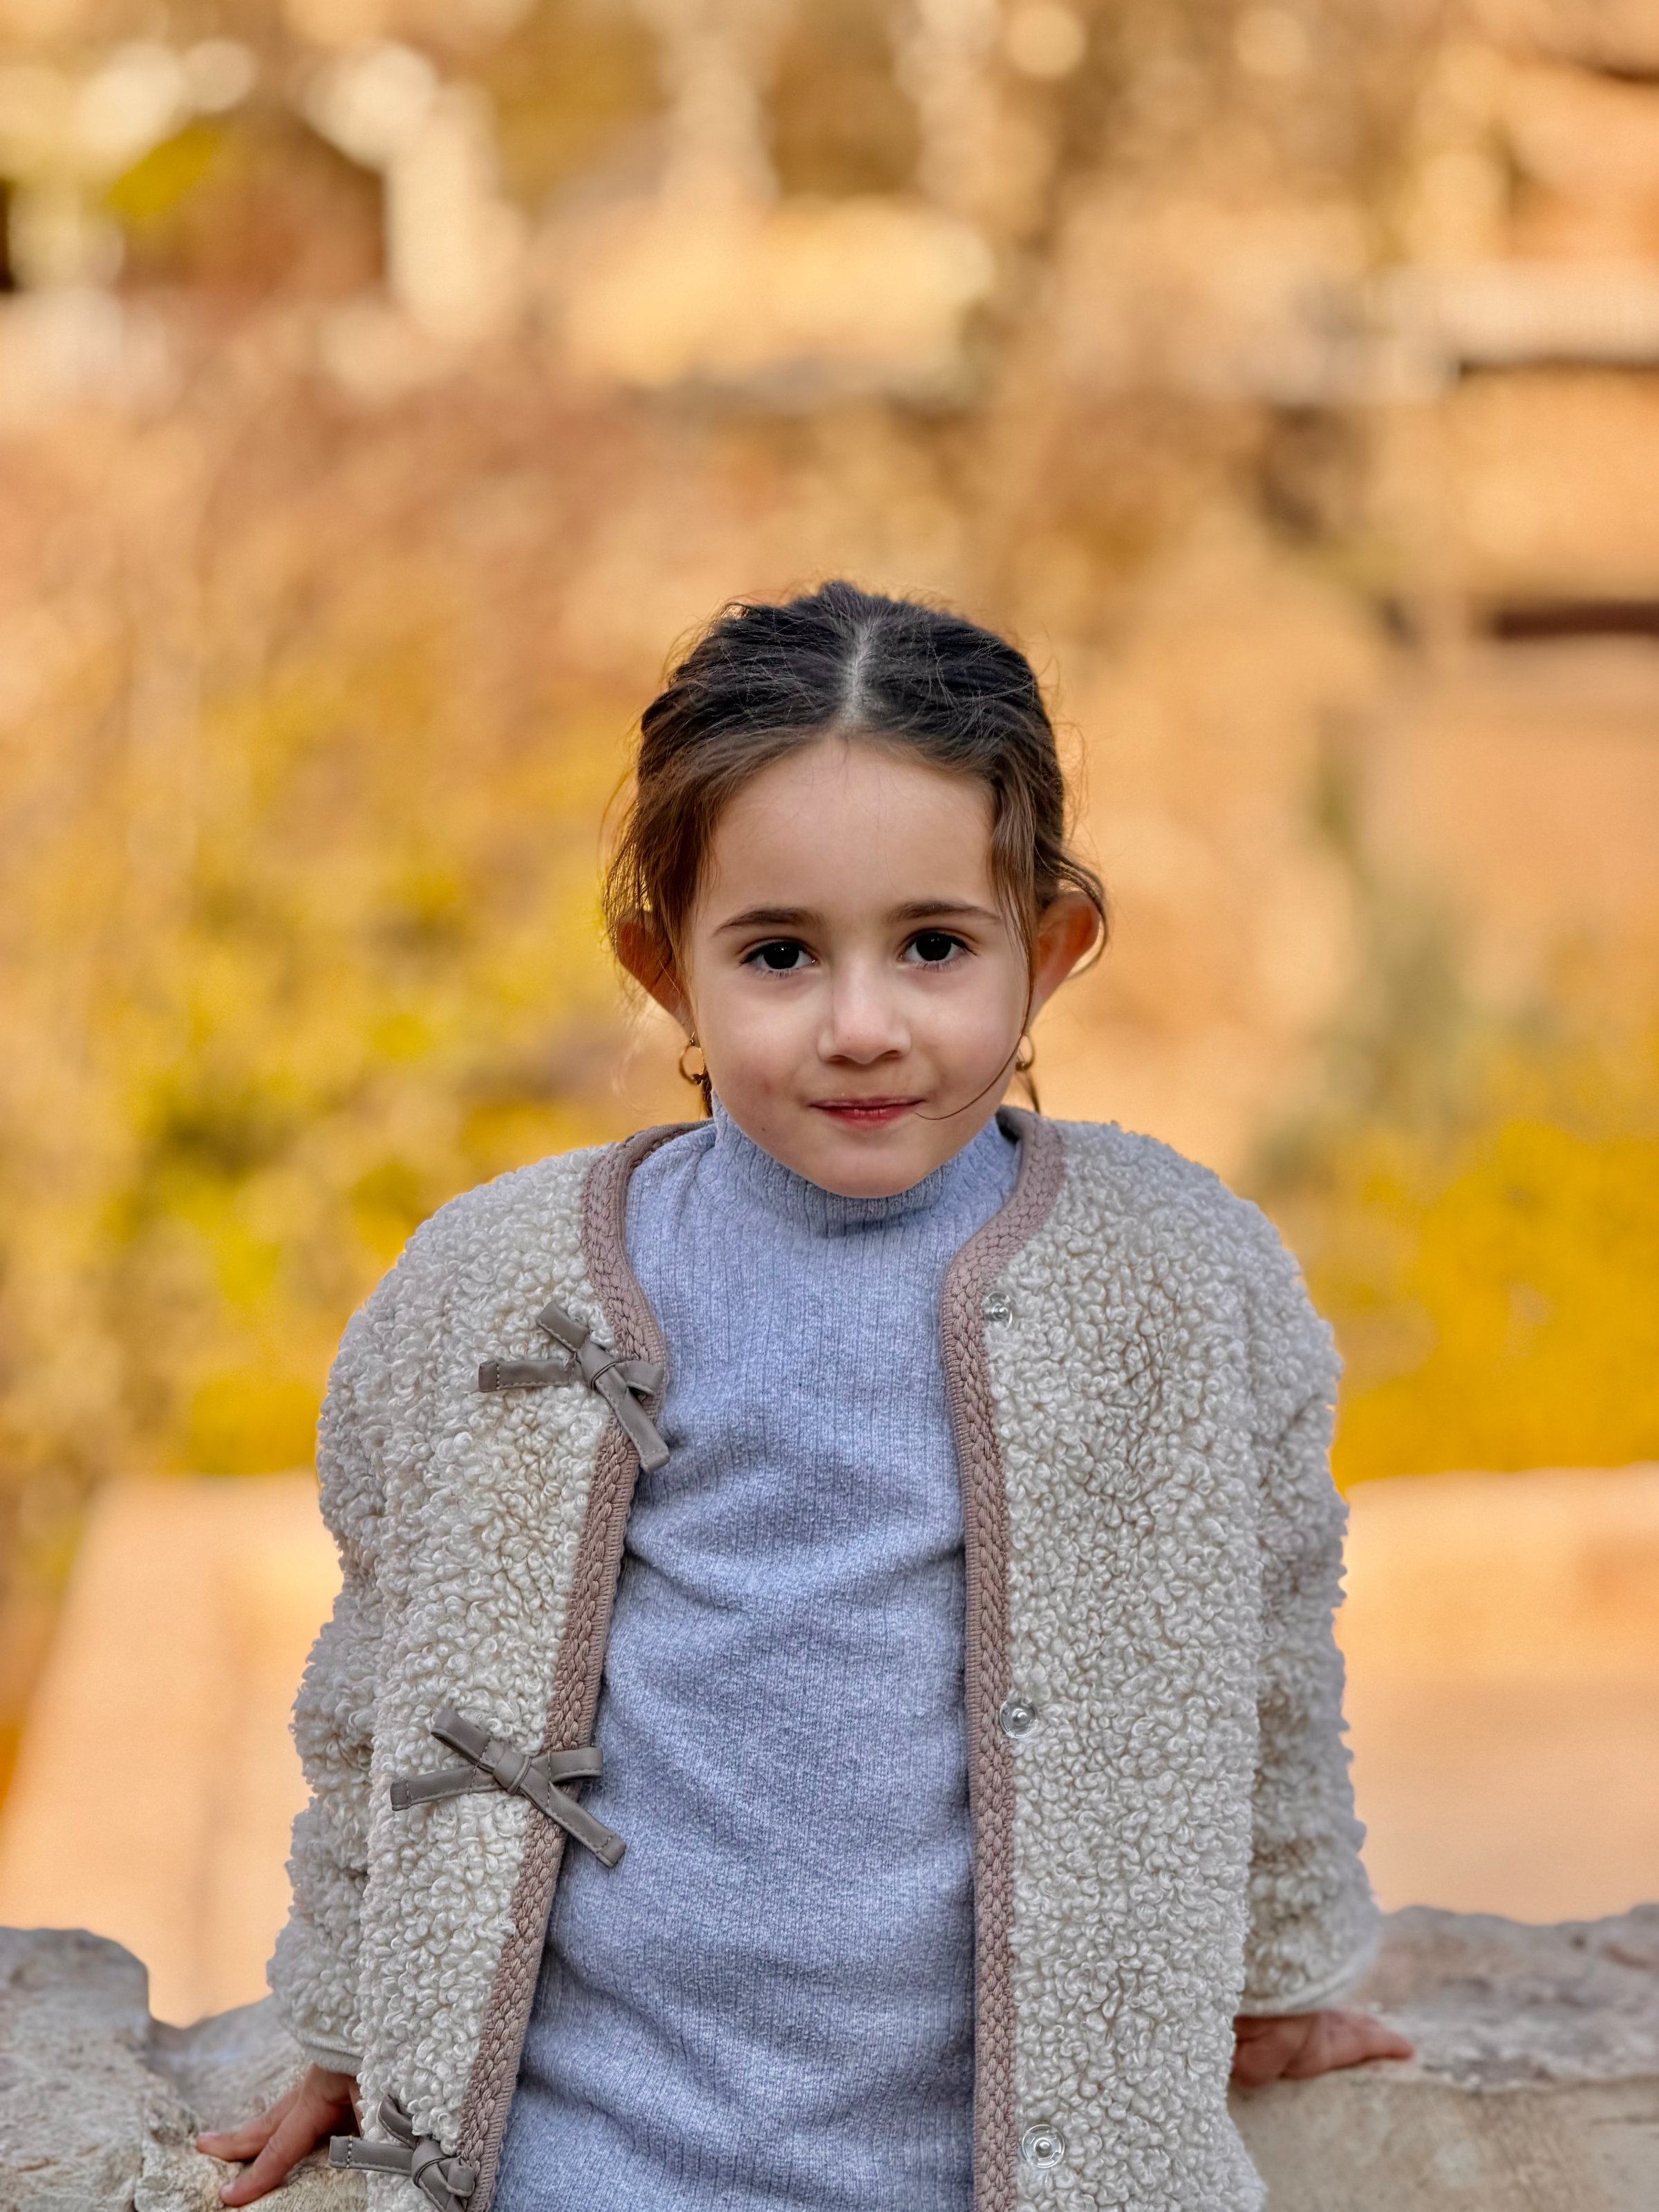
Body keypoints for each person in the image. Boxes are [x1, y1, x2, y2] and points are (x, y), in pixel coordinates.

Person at [198, 582, 1410, 2212]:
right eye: (777, 953)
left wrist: (1273, 1964)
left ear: (1048, 949)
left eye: (933, 945)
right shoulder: (500, 1284)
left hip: (1002, 2173)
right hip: (587, 2154)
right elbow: (385, 1675)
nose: (861, 1026)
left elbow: (1269, 1622)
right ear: (663, 965)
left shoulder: (1180, 1277)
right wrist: (362, 2015)